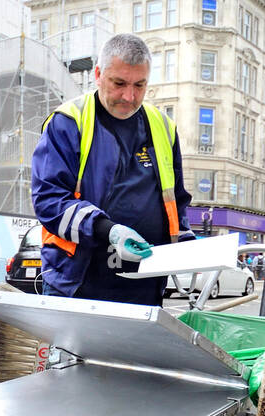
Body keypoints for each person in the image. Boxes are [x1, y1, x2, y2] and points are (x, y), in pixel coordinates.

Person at [30, 33, 193, 306]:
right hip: (78, 283)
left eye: (139, 85)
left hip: (144, 285)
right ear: (98, 74)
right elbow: (49, 200)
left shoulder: (164, 127)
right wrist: (109, 230)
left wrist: (188, 242)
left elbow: (176, 200)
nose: (129, 96)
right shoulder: (68, 122)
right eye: (119, 83)